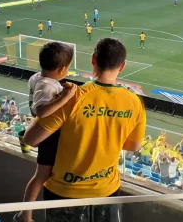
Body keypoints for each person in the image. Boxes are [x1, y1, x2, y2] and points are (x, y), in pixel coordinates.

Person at [23, 38, 146, 221]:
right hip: (107, 190)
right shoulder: (135, 102)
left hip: (65, 192)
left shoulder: (71, 97)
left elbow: (31, 139)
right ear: (122, 66)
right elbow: (134, 146)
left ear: (93, 60)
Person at [16, 42, 77, 222]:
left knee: (42, 174)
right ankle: (25, 214)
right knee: (41, 175)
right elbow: (41, 111)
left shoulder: (37, 78)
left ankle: (25, 213)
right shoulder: (47, 86)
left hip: (48, 132)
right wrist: (65, 97)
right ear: (62, 69)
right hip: (49, 135)